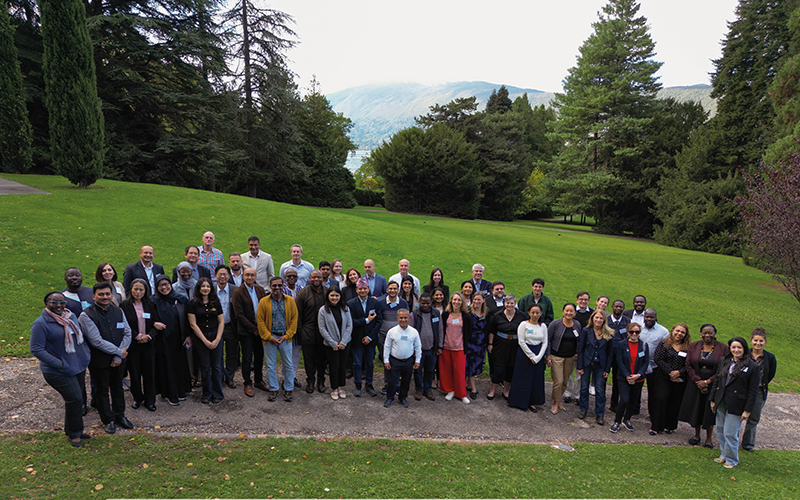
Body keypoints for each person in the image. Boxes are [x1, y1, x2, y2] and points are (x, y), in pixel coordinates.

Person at [30, 291, 91, 447]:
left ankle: (71, 430)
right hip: (58, 371)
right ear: (46, 303)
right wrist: (60, 364)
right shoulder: (40, 324)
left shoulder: (71, 317)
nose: (59, 305)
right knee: (75, 399)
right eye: (54, 302)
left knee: (76, 400)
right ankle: (75, 435)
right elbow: (36, 349)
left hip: (77, 366)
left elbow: (79, 337)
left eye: (62, 302)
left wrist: (85, 355)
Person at [78, 282, 133, 434]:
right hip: (99, 361)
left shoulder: (118, 311)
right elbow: (96, 341)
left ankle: (120, 415)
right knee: (101, 391)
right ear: (93, 296)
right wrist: (119, 352)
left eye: (107, 294)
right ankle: (108, 420)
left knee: (117, 388)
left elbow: (127, 333)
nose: (105, 297)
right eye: (101, 294)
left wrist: (118, 356)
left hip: (118, 360)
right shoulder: (86, 315)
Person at [709, 337, 761, 468]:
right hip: (721, 400)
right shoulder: (724, 361)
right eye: (733, 347)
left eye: (739, 347)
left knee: (730, 433)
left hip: (737, 404)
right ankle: (723, 455)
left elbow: (753, 391)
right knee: (720, 430)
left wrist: (747, 410)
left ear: (744, 348)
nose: (736, 350)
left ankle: (732, 460)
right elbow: (717, 380)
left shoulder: (753, 367)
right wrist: (712, 399)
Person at [678, 324, 729, 448]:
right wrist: (698, 381)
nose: (707, 335)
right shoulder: (694, 346)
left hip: (713, 384)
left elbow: (725, 368)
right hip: (695, 383)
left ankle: (708, 439)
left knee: (709, 411)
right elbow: (688, 364)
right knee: (696, 409)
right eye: (704, 333)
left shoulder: (723, 348)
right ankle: (696, 435)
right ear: (701, 334)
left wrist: (708, 382)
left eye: (710, 333)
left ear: (715, 334)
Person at [151, 275, 191, 406]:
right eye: (160, 285)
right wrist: (154, 323)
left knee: (180, 365)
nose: (164, 287)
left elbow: (187, 319)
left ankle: (181, 390)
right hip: (163, 341)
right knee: (167, 366)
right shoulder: (153, 301)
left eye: (166, 284)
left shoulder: (180, 299)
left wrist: (188, 335)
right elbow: (147, 318)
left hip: (179, 338)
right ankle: (169, 393)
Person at [120, 279, 159, 412]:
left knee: (149, 373)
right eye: (135, 289)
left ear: (145, 291)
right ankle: (137, 398)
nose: (138, 292)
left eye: (141, 289)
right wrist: (137, 336)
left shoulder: (150, 304)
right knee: (135, 374)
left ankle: (150, 401)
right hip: (133, 345)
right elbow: (124, 325)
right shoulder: (124, 305)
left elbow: (155, 322)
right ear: (131, 289)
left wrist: (149, 336)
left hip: (148, 344)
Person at [257, 276, 298, 402]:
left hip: (285, 337)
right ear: (270, 286)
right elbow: (260, 321)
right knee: (270, 365)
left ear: (283, 286)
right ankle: (273, 388)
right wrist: (269, 337)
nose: (277, 288)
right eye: (274, 285)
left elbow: (294, 319)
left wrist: (287, 336)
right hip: (270, 338)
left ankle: (288, 388)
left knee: (288, 364)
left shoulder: (290, 300)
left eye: (279, 285)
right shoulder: (264, 301)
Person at [186, 277, 225, 404]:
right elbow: (193, 324)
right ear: (198, 288)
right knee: (205, 366)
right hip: (200, 337)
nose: (205, 289)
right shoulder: (192, 304)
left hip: (215, 335)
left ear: (211, 288)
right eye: (203, 286)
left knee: (217, 366)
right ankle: (207, 393)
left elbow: (221, 321)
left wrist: (217, 339)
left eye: (207, 286)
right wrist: (205, 340)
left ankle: (217, 393)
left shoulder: (216, 302)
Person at [232, 268, 269, 397]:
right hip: (246, 331)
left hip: (260, 330)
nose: (250, 277)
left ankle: (258, 380)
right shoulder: (237, 292)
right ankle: (247, 383)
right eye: (247, 275)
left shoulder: (260, 290)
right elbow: (239, 315)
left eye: (252, 275)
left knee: (259, 356)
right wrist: (253, 329)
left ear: (255, 276)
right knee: (247, 357)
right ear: (243, 276)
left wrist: (261, 328)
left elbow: (265, 309)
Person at [649, 323, 691, 435]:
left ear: (686, 335)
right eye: (677, 331)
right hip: (663, 377)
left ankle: (670, 426)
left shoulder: (688, 347)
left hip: (679, 379)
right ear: (672, 331)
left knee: (674, 402)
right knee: (660, 399)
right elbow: (658, 359)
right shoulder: (664, 343)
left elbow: (689, 363)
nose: (679, 333)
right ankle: (656, 426)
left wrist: (679, 373)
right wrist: (671, 372)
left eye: (682, 332)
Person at [507, 303, 549, 412]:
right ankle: (518, 401)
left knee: (536, 379)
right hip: (524, 354)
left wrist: (538, 357)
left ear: (541, 313)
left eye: (537, 312)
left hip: (538, 354)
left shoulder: (543, 326)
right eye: (533, 312)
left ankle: (532, 402)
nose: (535, 315)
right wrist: (531, 356)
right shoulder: (523, 325)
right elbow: (521, 341)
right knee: (522, 378)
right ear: (529, 313)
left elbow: (545, 342)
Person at [742, 327, 777, 452]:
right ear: (751, 341)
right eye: (755, 340)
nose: (758, 343)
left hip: (759, 391)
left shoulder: (770, 358)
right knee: (736, 415)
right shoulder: (744, 355)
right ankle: (731, 440)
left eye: (761, 341)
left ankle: (748, 443)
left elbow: (770, 374)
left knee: (753, 418)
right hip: (742, 389)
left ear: (765, 342)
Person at [577, 309, 614, 425]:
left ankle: (600, 414)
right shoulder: (586, 331)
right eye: (596, 317)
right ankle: (583, 409)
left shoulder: (608, 333)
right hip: (587, 364)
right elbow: (581, 349)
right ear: (592, 318)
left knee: (600, 390)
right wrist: (580, 366)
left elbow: (610, 353)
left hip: (600, 365)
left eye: (601, 318)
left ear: (604, 320)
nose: (598, 320)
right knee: (584, 388)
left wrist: (607, 369)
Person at [487, 294, 526, 400]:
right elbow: (492, 331)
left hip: (515, 345)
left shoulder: (521, 316)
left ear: (515, 304)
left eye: (512, 303)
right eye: (507, 303)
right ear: (504, 303)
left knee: (510, 369)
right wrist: (490, 344)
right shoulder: (497, 315)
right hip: (500, 345)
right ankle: (492, 390)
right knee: (498, 369)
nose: (510, 305)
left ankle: (506, 391)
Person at [610, 323, 648, 433]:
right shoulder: (622, 344)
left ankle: (627, 419)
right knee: (624, 399)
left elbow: (645, 362)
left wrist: (638, 375)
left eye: (637, 332)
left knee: (633, 400)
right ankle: (617, 421)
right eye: (632, 332)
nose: (634, 334)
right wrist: (627, 375)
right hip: (624, 377)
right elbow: (619, 361)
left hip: (638, 378)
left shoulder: (644, 345)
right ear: (627, 332)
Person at [347, 277, 382, 397]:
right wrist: (366, 320)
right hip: (357, 338)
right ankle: (357, 384)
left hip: (371, 339)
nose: (362, 291)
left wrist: (370, 337)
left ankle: (369, 384)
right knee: (357, 363)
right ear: (356, 290)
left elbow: (379, 321)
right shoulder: (350, 304)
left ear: (368, 289)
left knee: (370, 363)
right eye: (360, 288)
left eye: (365, 288)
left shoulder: (375, 303)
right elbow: (351, 321)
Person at [295, 270, 328, 393]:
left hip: (324, 332)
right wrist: (301, 331)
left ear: (322, 278)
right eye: (313, 277)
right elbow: (298, 314)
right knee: (309, 360)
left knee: (322, 359)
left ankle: (321, 381)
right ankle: (310, 381)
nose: (316, 279)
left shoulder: (327, 292)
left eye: (318, 277)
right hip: (308, 331)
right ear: (309, 278)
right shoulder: (303, 293)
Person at [546, 303, 581, 414]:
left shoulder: (577, 325)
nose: (568, 313)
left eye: (571, 311)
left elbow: (578, 341)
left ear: (575, 313)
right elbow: (548, 339)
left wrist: (577, 353)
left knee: (565, 381)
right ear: (563, 311)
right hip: (556, 356)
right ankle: (555, 403)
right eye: (566, 310)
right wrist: (548, 354)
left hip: (570, 357)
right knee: (558, 381)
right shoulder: (555, 324)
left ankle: (558, 399)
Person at [318, 288, 352, 400]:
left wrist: (343, 342)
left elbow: (349, 325)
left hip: (344, 343)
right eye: (332, 295)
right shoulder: (323, 310)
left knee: (342, 366)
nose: (334, 298)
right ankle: (334, 388)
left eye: (337, 295)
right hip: (330, 345)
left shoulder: (345, 308)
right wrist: (333, 343)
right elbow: (322, 328)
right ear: (328, 296)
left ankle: (341, 387)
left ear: (340, 296)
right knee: (333, 367)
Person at [383, 308, 421, 408]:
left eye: (405, 318)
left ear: (409, 318)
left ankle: (403, 397)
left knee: (406, 381)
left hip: (408, 361)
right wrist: (386, 360)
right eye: (401, 318)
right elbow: (387, 347)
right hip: (394, 360)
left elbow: (418, 347)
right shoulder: (392, 331)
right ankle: (390, 397)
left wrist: (417, 360)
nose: (403, 320)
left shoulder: (414, 332)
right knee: (392, 381)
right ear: (397, 318)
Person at [439, 292, 472, 404]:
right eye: (454, 300)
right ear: (451, 301)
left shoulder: (466, 316)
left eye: (459, 300)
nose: (456, 302)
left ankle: (461, 394)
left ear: (462, 302)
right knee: (447, 370)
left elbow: (468, 332)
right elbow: (441, 330)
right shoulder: (445, 314)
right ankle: (450, 390)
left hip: (460, 348)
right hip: (446, 347)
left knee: (460, 372)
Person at [412, 293, 441, 401]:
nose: (425, 305)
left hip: (432, 348)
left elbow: (440, 330)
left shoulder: (436, 313)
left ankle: (428, 389)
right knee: (418, 370)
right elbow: (411, 331)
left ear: (431, 303)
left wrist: (440, 346)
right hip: (418, 350)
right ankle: (419, 389)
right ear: (419, 303)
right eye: (423, 303)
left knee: (430, 370)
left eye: (427, 303)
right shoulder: (415, 313)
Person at [641, 308, 670, 417]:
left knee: (653, 391)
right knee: (635, 389)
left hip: (654, 366)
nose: (649, 319)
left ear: (656, 318)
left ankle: (652, 413)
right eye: (647, 316)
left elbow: (667, 349)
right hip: (639, 365)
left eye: (651, 317)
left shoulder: (663, 332)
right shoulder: (638, 328)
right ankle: (634, 409)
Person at [214, 265, 238, 389]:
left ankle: (229, 377)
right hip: (216, 327)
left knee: (232, 354)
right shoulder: (211, 290)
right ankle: (219, 377)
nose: (222, 276)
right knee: (217, 354)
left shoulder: (235, 290)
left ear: (229, 276)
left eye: (225, 274)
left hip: (230, 326)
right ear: (215, 276)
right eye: (220, 274)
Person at [607, 299, 630, 412]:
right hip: (607, 354)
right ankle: (599, 403)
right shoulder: (606, 320)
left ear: (623, 309)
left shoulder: (627, 321)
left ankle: (614, 404)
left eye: (621, 307)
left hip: (620, 356)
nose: (618, 308)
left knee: (617, 380)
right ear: (612, 307)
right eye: (616, 306)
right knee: (602, 378)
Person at [465, 292, 488, 399]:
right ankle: (474, 389)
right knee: (470, 365)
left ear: (483, 300)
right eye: (475, 299)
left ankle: (468, 384)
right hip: (470, 344)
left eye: (479, 299)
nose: (476, 302)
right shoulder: (468, 312)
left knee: (477, 365)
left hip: (481, 344)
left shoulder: (486, 313)